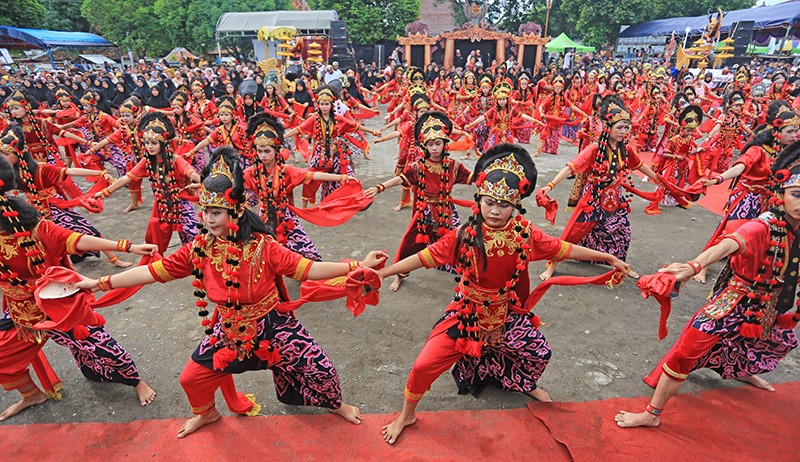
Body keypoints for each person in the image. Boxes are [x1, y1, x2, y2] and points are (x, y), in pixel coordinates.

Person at [76, 147, 389, 438]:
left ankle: (336, 405)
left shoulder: (264, 247)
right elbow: (150, 272)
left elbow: (308, 269)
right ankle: (208, 414)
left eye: (217, 213)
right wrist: (100, 282)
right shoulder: (198, 249)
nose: (209, 219)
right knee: (191, 379)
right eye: (206, 212)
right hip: (228, 330)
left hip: (273, 325)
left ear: (235, 213)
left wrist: (356, 264)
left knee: (322, 369)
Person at [377, 143, 631, 444]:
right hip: (468, 313)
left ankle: (521, 381)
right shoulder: (464, 235)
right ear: (478, 201)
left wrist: (608, 258)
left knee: (538, 352)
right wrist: (382, 273)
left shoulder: (525, 233)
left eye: (504, 205)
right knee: (422, 365)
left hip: (507, 311)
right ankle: (408, 414)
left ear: (516, 205)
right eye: (488, 203)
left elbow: (562, 248)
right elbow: (423, 257)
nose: (495, 211)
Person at [615, 139, 800, 428]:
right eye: (796, 195)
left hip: (769, 304)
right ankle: (651, 415)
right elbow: (727, 246)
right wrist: (693, 267)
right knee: (687, 351)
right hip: (734, 300)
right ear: (780, 193)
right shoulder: (761, 225)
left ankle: (741, 370)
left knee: (767, 341)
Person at [0, 153, 158, 422]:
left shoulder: (37, 229)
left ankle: (136, 382)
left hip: (56, 303)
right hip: (19, 313)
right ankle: (31, 395)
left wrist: (128, 246)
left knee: (99, 345)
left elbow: (76, 239)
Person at [538, 95, 660, 280]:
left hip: (615, 199)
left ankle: (621, 266)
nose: (624, 132)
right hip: (594, 198)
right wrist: (550, 185)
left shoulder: (625, 150)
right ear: (608, 128)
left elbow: (640, 165)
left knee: (623, 232)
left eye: (626, 128)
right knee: (573, 233)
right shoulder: (594, 149)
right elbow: (571, 166)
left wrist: (658, 179)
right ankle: (552, 265)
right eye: (619, 128)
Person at [693, 101, 799, 283]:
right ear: (776, 132)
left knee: (764, 237)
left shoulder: (786, 153)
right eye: (790, 131)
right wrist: (717, 179)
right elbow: (740, 168)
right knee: (730, 232)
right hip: (748, 197)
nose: (795, 135)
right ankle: (701, 267)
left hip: (771, 200)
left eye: (796, 131)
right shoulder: (758, 150)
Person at [366, 112, 473, 292]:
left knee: (461, 242)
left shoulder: (454, 166)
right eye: (430, 144)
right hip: (424, 212)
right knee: (410, 243)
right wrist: (380, 187)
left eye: (438, 143)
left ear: (445, 143)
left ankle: (466, 275)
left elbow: (473, 178)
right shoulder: (418, 166)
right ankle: (399, 276)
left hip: (446, 211)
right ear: (424, 145)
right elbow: (401, 178)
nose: (434, 148)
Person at [243, 113, 356, 261]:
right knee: (262, 255)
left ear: (276, 150)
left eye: (267, 151)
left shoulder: (287, 170)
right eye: (259, 151)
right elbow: (235, 182)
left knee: (309, 255)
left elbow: (313, 175)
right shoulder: (252, 172)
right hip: (263, 216)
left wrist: (342, 177)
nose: (263, 155)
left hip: (285, 216)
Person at [97, 113, 201, 255]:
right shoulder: (147, 162)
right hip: (161, 207)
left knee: (194, 235)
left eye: (154, 143)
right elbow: (126, 178)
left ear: (163, 143)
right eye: (146, 143)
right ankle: (157, 266)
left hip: (180, 204)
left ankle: (194, 262)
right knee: (154, 242)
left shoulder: (176, 160)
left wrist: (202, 181)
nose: (149, 147)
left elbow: (192, 174)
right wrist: (104, 192)